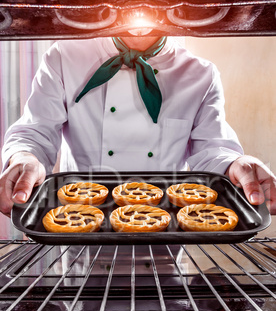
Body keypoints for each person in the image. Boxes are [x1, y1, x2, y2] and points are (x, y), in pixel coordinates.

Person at [0, 34, 276, 217]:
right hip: (80, 226)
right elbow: (36, 131)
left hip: (164, 229)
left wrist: (238, 162)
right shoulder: (63, 56)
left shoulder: (201, 73)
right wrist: (24, 157)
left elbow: (213, 149)